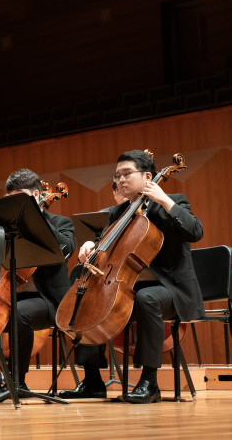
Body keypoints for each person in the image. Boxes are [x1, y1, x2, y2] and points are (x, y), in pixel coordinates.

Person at [59, 150, 204, 403]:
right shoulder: (119, 213)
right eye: (117, 176)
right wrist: (91, 246)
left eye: (127, 174)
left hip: (170, 289)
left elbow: (195, 231)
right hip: (127, 287)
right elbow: (105, 246)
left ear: (148, 177)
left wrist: (164, 200)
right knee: (88, 300)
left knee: (147, 298)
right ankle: (92, 381)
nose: (120, 180)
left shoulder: (173, 202)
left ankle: (149, 382)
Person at [0, 169, 75, 396]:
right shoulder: (7, 229)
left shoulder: (60, 222)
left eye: (20, 199)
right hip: (12, 294)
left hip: (49, 300)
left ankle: (17, 382)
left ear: (36, 195)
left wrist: (38, 220)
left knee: (18, 313)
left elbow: (67, 249)